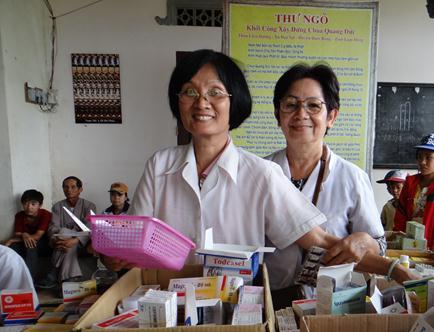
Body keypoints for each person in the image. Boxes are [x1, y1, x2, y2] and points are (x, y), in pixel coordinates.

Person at [107, 49, 414, 287]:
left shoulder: (260, 174)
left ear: (234, 101)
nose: (201, 102)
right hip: (165, 305)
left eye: (215, 92)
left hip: (237, 311)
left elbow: (320, 241)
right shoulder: (159, 166)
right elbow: (134, 245)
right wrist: (114, 255)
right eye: (189, 92)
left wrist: (393, 269)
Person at [265, 63, 385, 290]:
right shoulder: (261, 172)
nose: (301, 114)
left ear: (331, 116)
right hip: (270, 298)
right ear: (278, 115)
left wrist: (367, 242)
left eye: (313, 105)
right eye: (291, 105)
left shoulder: (352, 177)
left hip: (332, 301)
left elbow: (379, 244)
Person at [394, 134, 434, 254]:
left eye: (429, 158)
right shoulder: (410, 181)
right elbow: (401, 213)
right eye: (419, 157)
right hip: (407, 239)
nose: (422, 162)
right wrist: (398, 237)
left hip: (429, 242)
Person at [39, 176, 97, 287]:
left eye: (73, 187)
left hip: (81, 242)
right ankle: (68, 281)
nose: (69, 190)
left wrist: (75, 240)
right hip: (61, 240)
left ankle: (53, 272)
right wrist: (58, 240)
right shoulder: (57, 206)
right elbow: (53, 227)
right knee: (63, 233)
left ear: (80, 189)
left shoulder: (89, 206)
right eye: (65, 187)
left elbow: (89, 228)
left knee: (65, 236)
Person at [3, 189, 52, 278]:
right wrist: (23, 235)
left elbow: (37, 236)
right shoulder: (19, 215)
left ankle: (30, 280)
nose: (29, 207)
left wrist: (13, 239)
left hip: (44, 245)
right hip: (24, 243)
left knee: (31, 245)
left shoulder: (45, 214)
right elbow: (18, 234)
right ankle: (10, 279)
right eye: (26, 204)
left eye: (33, 204)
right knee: (10, 248)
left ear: (40, 205)